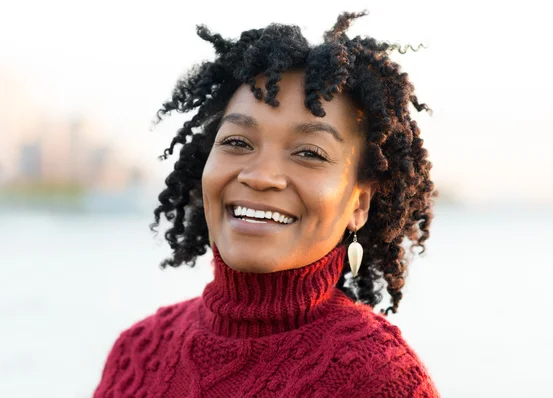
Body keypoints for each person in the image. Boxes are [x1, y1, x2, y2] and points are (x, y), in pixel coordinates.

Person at [94, 10, 439, 398]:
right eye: (238, 143)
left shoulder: (381, 379)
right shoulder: (139, 351)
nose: (260, 176)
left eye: (309, 152)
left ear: (359, 203)